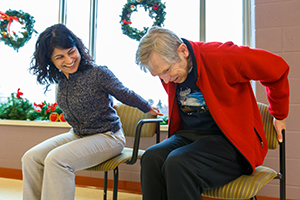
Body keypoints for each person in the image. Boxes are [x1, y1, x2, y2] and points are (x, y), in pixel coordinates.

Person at [135, 26, 289, 200]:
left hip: (231, 142)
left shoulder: (222, 56)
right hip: (191, 136)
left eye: (167, 71)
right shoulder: (172, 73)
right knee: (151, 158)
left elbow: (277, 68)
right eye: (158, 76)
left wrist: (279, 113)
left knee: (178, 164)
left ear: (183, 51)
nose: (165, 80)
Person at [22, 24, 162, 200]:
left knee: (57, 160)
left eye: (71, 51)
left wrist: (147, 107)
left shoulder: (97, 73)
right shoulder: (61, 79)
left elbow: (124, 92)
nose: (68, 60)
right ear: (51, 60)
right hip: (78, 134)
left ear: (78, 48)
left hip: (108, 136)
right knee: (31, 158)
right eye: (60, 57)